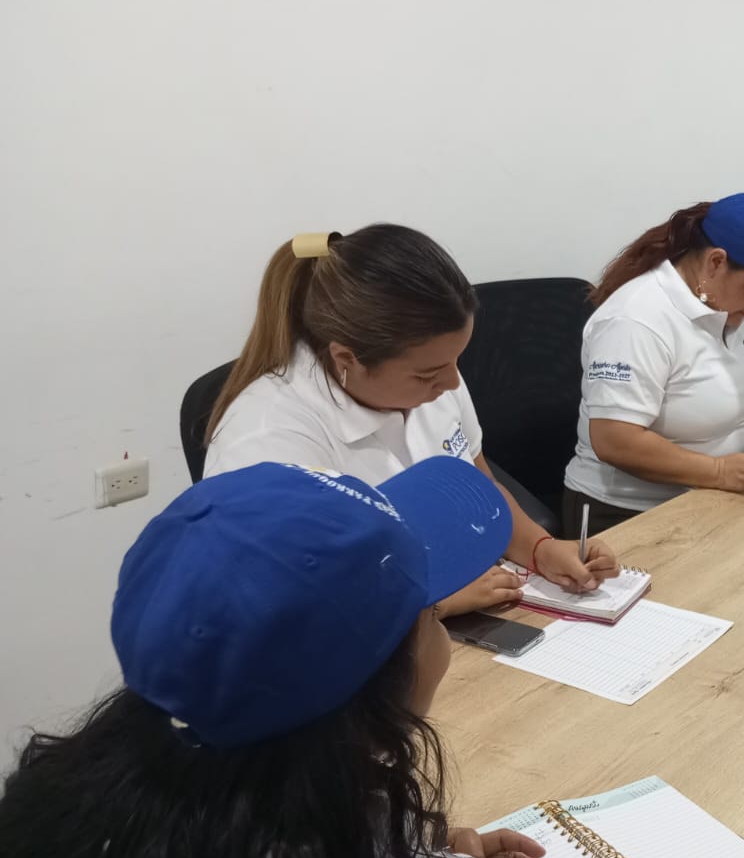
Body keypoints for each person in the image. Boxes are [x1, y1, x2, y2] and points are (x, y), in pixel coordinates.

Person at [0, 457, 560, 858]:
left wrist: (420, 848)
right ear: (374, 694)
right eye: (433, 613)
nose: (439, 629)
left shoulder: (69, 806)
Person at [205, 224, 618, 616]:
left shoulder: (436, 379)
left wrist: (540, 549)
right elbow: (281, 600)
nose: (452, 382)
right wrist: (429, 604)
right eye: (427, 374)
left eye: (457, 360)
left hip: (457, 598)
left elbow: (480, 487)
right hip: (362, 636)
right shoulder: (266, 440)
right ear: (346, 359)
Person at [563, 193, 744, 535]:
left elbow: (741, 380)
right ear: (716, 262)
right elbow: (615, 440)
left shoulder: (728, 305)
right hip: (628, 513)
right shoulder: (635, 321)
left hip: (711, 496)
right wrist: (719, 470)